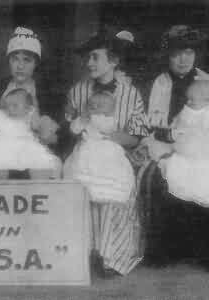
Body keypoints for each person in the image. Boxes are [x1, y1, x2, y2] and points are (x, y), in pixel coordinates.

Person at [143, 80, 209, 283]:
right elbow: (178, 129)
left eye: (194, 100)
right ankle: (174, 249)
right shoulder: (186, 110)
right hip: (189, 155)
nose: (189, 103)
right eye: (188, 99)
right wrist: (177, 135)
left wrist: (200, 140)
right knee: (174, 174)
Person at [65, 30, 148, 277]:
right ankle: (81, 251)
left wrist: (108, 135)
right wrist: (85, 124)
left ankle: (111, 254)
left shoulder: (131, 94)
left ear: (113, 61)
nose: (89, 63)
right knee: (75, 182)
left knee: (117, 186)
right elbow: (70, 128)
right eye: (88, 58)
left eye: (95, 57)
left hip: (115, 152)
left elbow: (135, 137)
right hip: (85, 152)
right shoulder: (78, 91)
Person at [0, 27, 61, 177]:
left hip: (32, 155)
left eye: (27, 60)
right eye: (15, 59)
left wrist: (46, 133)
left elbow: (55, 137)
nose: (20, 66)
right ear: (9, 61)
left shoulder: (47, 92)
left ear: (36, 63)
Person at [0, 88, 61, 179]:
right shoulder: (0, 114)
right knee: (1, 164)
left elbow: (37, 126)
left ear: (28, 108)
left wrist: (41, 121)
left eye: (15, 105)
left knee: (37, 163)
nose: (10, 109)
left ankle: (38, 179)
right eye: (7, 106)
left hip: (26, 146)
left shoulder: (29, 114)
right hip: (3, 145)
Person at [64, 91, 135, 204]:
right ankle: (86, 190)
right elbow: (74, 129)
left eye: (101, 105)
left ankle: (107, 191)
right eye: (91, 104)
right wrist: (82, 120)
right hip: (87, 146)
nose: (95, 106)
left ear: (111, 110)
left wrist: (93, 117)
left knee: (110, 166)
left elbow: (105, 128)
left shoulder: (110, 120)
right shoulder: (84, 119)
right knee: (80, 163)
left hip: (105, 145)